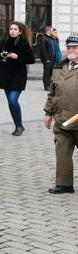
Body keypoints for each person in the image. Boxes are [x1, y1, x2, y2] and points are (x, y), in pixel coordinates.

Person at [42, 32, 78, 194]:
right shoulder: (59, 67)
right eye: (69, 47)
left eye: (75, 47)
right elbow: (52, 93)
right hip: (62, 120)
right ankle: (64, 184)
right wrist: (48, 113)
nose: (72, 50)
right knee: (62, 153)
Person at [0, 21, 35, 136]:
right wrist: (2, 54)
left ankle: (19, 125)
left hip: (18, 75)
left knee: (13, 100)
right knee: (10, 102)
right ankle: (18, 125)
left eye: (15, 29)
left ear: (20, 32)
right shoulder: (5, 41)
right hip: (6, 74)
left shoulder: (23, 43)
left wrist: (17, 57)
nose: (12, 31)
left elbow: (31, 59)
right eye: (11, 29)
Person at [40, 25, 55, 91]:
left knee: (51, 73)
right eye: (52, 30)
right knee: (46, 73)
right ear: (48, 31)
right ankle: (46, 86)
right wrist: (46, 59)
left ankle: (50, 85)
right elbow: (43, 50)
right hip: (47, 59)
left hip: (52, 59)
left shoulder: (50, 38)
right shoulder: (44, 39)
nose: (53, 31)